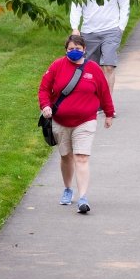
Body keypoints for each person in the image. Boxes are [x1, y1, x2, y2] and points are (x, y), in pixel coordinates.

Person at [38, 34, 115, 214]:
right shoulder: (57, 66)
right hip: (61, 121)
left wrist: (109, 113)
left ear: (84, 50)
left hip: (86, 121)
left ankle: (83, 198)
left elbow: (104, 92)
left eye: (77, 49)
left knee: (82, 157)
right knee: (66, 157)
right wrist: (46, 106)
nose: (74, 52)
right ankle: (67, 189)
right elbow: (44, 89)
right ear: (66, 50)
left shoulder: (93, 69)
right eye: (70, 49)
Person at [70, 0, 130, 99]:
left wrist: (121, 27)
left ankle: (108, 102)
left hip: (111, 30)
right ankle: (94, 100)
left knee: (109, 66)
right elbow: (76, 5)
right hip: (89, 32)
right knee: (91, 69)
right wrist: (75, 27)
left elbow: (125, 4)